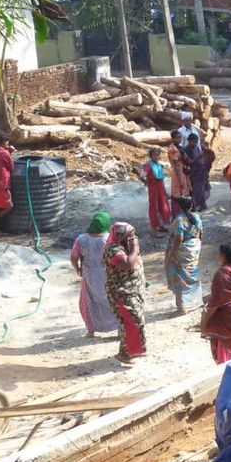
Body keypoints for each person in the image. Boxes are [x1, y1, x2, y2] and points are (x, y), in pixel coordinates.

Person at [103, 222, 147, 363]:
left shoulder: (126, 247)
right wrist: (135, 248)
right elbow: (128, 264)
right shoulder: (112, 250)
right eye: (129, 236)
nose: (133, 239)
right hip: (122, 292)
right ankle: (127, 352)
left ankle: (129, 351)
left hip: (134, 290)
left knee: (131, 321)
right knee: (133, 321)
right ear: (120, 236)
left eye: (134, 236)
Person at [70, 211, 117, 338]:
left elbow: (74, 256)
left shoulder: (81, 239)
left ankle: (91, 330)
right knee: (112, 300)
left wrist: (78, 268)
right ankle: (119, 327)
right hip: (109, 275)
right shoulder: (110, 239)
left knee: (89, 302)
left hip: (89, 274)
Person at [165, 196, 204, 315]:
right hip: (193, 249)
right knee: (193, 273)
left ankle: (182, 308)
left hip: (182, 251)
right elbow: (200, 234)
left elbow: (179, 238)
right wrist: (196, 247)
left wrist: (172, 252)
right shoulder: (197, 217)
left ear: (179, 207)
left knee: (180, 277)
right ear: (191, 205)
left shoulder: (179, 220)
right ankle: (196, 302)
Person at [140, 147, 172, 236]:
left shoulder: (158, 165)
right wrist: (147, 183)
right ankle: (154, 229)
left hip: (161, 189)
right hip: (153, 189)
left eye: (158, 155)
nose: (157, 157)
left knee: (163, 206)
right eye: (154, 155)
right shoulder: (148, 165)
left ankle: (161, 225)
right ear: (151, 156)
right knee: (154, 208)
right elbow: (141, 176)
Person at [182, 132, 215, 211]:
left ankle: (202, 205)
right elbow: (189, 162)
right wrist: (199, 156)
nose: (195, 143)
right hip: (194, 173)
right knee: (196, 191)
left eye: (196, 142)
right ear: (189, 141)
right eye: (193, 141)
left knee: (202, 190)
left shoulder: (197, 147)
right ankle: (195, 206)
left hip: (200, 171)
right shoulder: (186, 150)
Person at [167, 130, 190, 215]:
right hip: (177, 173)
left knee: (184, 192)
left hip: (182, 171)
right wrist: (180, 180)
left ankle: (183, 213)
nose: (179, 139)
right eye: (177, 138)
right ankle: (176, 215)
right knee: (177, 194)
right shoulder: (172, 149)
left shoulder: (180, 147)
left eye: (180, 137)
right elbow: (176, 165)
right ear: (173, 139)